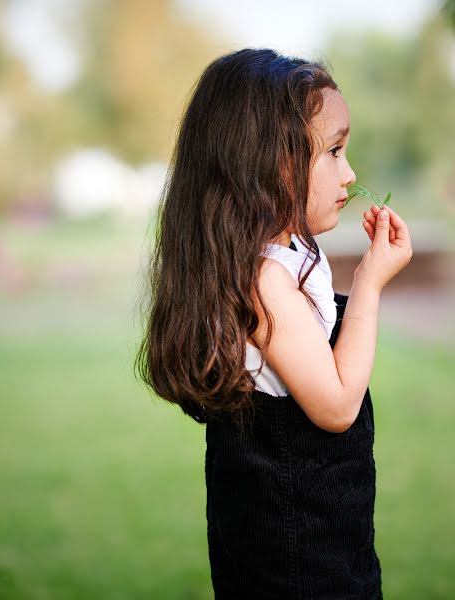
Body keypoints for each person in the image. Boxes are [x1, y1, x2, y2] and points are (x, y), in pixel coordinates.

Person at [136, 48, 412, 599]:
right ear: (268, 162)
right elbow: (336, 407)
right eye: (333, 151)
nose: (350, 173)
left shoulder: (285, 259)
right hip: (294, 565)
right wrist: (369, 283)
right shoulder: (264, 283)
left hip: (328, 541)